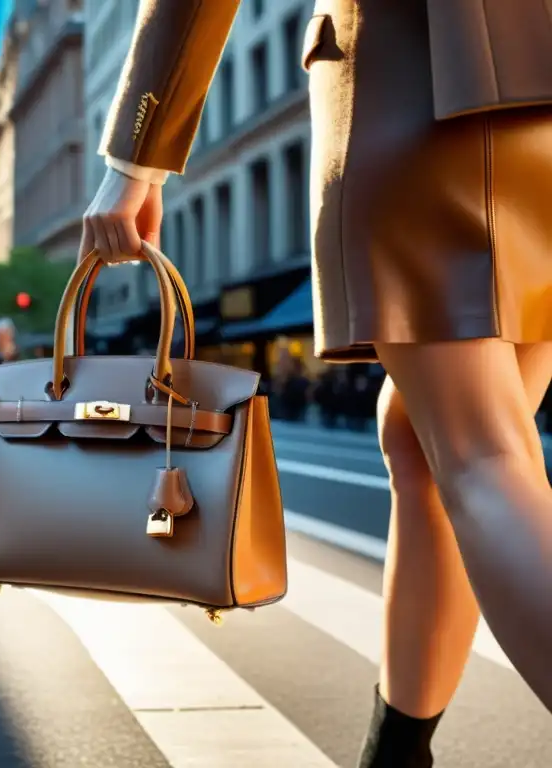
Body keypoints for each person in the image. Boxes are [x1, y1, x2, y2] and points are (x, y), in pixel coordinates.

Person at [80, 2, 552, 764]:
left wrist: (135, 157)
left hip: (421, 81)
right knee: (424, 445)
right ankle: (395, 755)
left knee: (482, 457)